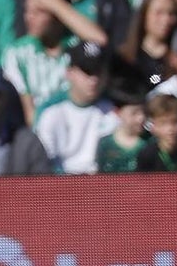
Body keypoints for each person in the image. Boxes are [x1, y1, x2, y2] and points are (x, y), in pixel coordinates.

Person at [34, 41, 118, 174]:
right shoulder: (50, 110)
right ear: (69, 72)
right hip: (59, 181)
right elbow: (43, 159)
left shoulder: (111, 110)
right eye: (87, 71)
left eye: (98, 72)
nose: (94, 79)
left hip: (100, 181)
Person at [2, 0, 70, 126]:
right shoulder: (16, 52)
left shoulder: (74, 49)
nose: (29, 18)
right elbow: (29, 114)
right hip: (35, 129)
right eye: (27, 11)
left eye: (38, 12)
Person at [95, 83, 147, 173]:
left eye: (144, 111)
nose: (141, 118)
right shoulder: (105, 144)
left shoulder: (149, 143)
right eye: (134, 113)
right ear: (118, 112)